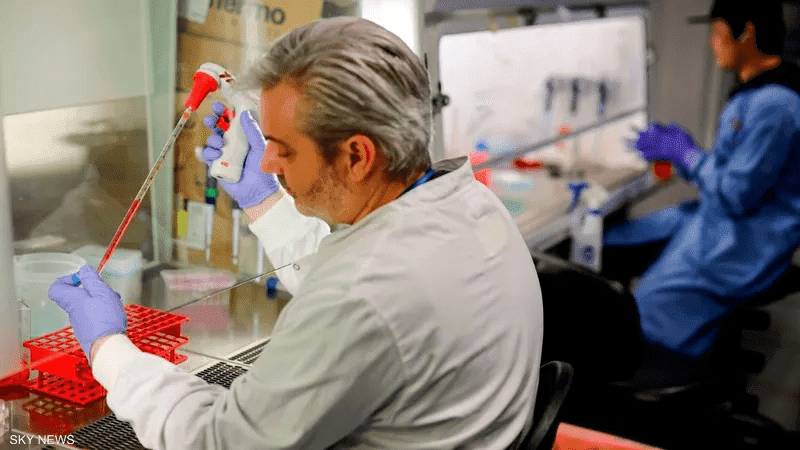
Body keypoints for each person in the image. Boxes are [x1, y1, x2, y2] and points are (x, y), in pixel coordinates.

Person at [48, 17, 543, 450]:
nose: (266, 162)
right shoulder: (469, 204)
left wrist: (108, 347)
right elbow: (365, 292)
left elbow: (216, 441)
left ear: (356, 156)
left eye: (282, 148)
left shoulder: (364, 294)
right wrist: (266, 204)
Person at [603, 0, 800, 376]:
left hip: (746, 241)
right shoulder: (755, 93)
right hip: (723, 219)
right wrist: (681, 154)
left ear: (746, 34)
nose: (713, 44)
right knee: (614, 242)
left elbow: (738, 195)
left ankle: (661, 387)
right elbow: (732, 174)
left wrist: (687, 154)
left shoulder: (775, 105)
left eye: (717, 33)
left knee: (649, 308)